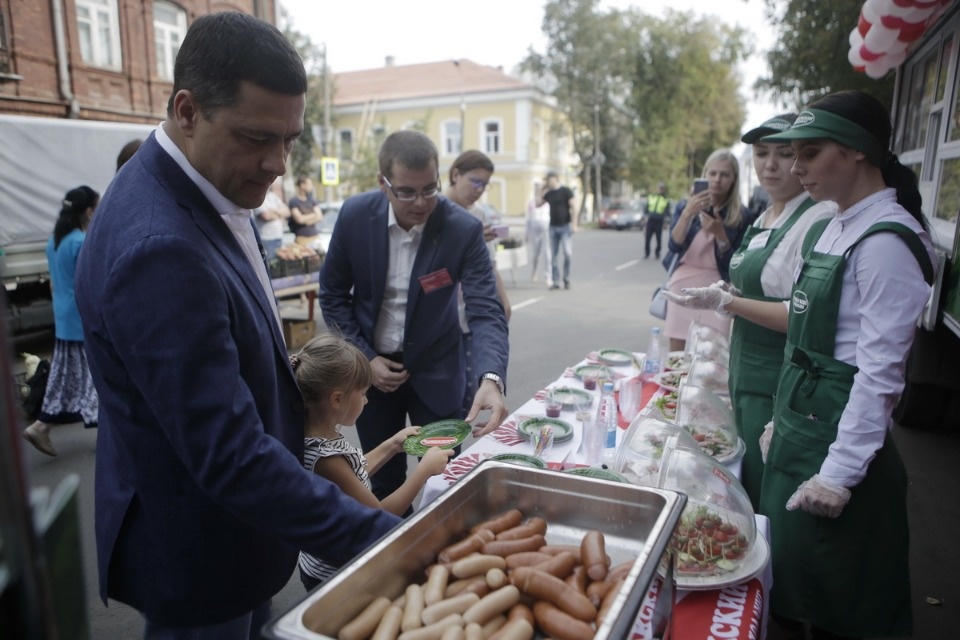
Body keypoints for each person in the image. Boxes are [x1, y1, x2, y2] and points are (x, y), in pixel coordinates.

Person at [74, 12, 399, 637]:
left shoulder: (212, 183)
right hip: (199, 548)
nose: (277, 163)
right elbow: (227, 454)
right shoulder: (157, 247)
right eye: (257, 138)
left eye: (290, 139)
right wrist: (392, 537)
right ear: (188, 110)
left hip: (240, 534)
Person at [666, 91, 935, 639]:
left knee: (841, 599)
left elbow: (879, 374)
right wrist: (779, 419)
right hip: (800, 427)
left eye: (809, 154)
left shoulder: (887, 241)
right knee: (795, 584)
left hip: (840, 443)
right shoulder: (841, 224)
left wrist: (838, 474)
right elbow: (810, 331)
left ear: (857, 152)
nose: (795, 167)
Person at [319, 130, 509, 505]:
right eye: (406, 191)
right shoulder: (356, 216)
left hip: (437, 372)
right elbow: (333, 296)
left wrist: (491, 377)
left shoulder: (461, 229)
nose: (421, 202)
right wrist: (365, 359)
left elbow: (486, 310)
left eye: (430, 189)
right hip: (372, 373)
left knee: (441, 481)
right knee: (384, 480)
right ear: (383, 183)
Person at [675, 115, 837, 510]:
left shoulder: (817, 218)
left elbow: (803, 313)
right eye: (762, 154)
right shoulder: (766, 216)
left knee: (766, 494)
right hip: (743, 371)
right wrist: (730, 292)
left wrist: (726, 302)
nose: (771, 165)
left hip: (776, 379)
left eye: (786, 154)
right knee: (743, 482)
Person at [290, 331, 454, 590]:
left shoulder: (317, 437)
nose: (367, 401)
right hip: (337, 574)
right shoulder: (325, 458)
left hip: (329, 562)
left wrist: (391, 446)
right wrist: (423, 472)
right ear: (336, 399)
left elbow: (352, 478)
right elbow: (378, 515)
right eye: (364, 394)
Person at [21, 186, 100, 457]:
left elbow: (55, 284)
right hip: (81, 317)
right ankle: (110, 434)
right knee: (95, 376)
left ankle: (41, 426)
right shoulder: (80, 241)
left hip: (64, 318)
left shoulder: (55, 242)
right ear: (88, 212)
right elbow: (90, 282)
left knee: (63, 378)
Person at [662, 149, 751, 352]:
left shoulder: (742, 215)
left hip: (717, 290)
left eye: (724, 174)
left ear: (733, 180)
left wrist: (720, 234)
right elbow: (674, 246)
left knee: (712, 354)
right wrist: (687, 214)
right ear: (705, 174)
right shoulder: (685, 205)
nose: (717, 179)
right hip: (682, 287)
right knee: (677, 354)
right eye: (713, 173)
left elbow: (735, 266)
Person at [445, 150, 512, 414]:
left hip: (472, 311)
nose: (479, 190)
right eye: (475, 182)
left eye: (485, 185)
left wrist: (502, 300)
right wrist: (466, 242)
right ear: (455, 174)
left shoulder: (480, 213)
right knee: (448, 390)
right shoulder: (435, 210)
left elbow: (490, 263)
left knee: (471, 383)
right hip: (443, 316)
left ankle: (461, 434)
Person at [538, 171, 576, 290]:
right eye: (547, 180)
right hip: (553, 227)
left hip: (565, 226)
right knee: (553, 255)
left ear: (556, 179)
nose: (549, 182)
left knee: (567, 253)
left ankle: (566, 278)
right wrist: (541, 192)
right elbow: (538, 204)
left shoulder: (565, 191)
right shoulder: (549, 194)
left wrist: (574, 224)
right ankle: (556, 281)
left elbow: (574, 207)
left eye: (550, 179)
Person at [255, 176, 291, 260]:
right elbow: (266, 216)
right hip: (267, 239)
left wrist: (273, 211)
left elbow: (287, 212)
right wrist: (280, 213)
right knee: (270, 264)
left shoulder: (272, 196)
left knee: (278, 266)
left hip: (278, 236)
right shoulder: (257, 197)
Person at [525, 182, 551, 283]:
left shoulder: (548, 202)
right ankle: (534, 271)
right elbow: (528, 218)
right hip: (535, 229)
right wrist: (526, 233)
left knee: (547, 253)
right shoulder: (532, 203)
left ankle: (548, 276)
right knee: (536, 253)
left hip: (546, 228)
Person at [288, 175, 323, 246]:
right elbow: (299, 219)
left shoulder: (312, 200)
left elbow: (320, 217)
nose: (311, 186)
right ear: (302, 185)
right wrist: (313, 215)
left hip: (315, 237)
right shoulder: (294, 201)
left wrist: (306, 221)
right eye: (309, 184)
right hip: (301, 238)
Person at [643, 182, 670, 259]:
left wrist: (666, 222)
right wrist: (644, 217)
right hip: (650, 220)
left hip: (659, 221)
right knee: (647, 238)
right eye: (659, 188)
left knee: (658, 239)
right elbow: (646, 208)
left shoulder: (665, 199)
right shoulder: (651, 197)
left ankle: (657, 253)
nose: (660, 190)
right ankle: (647, 253)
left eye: (662, 188)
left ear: (664, 190)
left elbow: (667, 212)